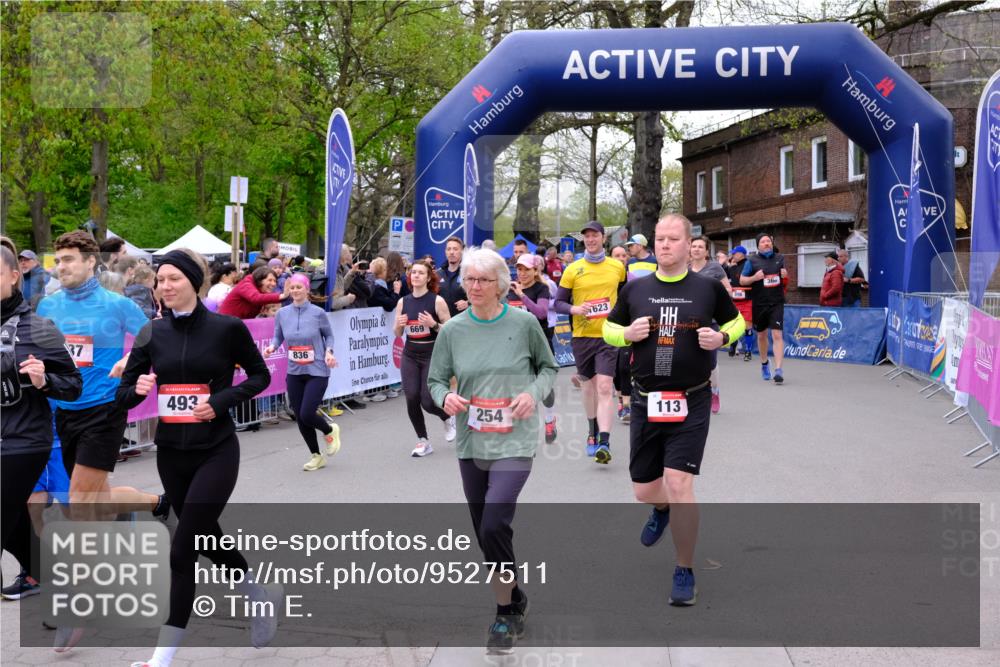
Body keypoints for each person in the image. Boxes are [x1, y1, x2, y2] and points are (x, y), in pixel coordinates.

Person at [118, 249, 281, 666]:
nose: (165, 286)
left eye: (173, 278)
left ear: (193, 281)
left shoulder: (227, 328)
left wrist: (222, 400)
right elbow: (125, 392)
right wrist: (136, 389)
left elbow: (261, 375)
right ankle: (258, 595)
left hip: (217, 451)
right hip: (171, 454)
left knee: (181, 549)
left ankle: (162, 657)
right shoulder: (150, 333)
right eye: (160, 280)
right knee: (207, 536)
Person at [603, 213, 744, 607]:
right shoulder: (635, 290)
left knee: (681, 484)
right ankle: (659, 508)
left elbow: (737, 325)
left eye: (672, 239)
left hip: (692, 398)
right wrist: (627, 334)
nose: (664, 245)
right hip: (646, 399)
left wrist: (720, 337)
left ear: (688, 244)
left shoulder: (708, 288)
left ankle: (684, 568)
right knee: (643, 489)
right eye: (660, 239)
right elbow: (608, 330)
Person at [426, 247, 557, 655]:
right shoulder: (452, 331)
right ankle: (514, 593)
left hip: (514, 438)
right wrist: (445, 397)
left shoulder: (523, 323)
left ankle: (505, 614)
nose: (476, 286)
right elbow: (434, 382)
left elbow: (548, 369)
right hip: (471, 440)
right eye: (470, 279)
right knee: (487, 531)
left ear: (501, 285)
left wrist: (532, 394)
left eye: (484, 280)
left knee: (492, 523)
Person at [36, 232, 167, 521]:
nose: (62, 267)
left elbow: (155, 340)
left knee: (79, 502)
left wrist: (126, 360)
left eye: (69, 259)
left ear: (91, 261)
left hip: (104, 409)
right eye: (58, 260)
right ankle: (157, 503)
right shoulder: (48, 306)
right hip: (65, 411)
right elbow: (41, 354)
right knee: (97, 498)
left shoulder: (116, 304)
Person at [1, 246, 82, 604]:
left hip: (24, 441)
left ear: (14, 275)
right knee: (15, 525)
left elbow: (73, 386)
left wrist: (44, 379)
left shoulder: (38, 328)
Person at [553, 221, 626, 464]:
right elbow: (558, 303)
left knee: (605, 386)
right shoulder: (573, 269)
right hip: (582, 337)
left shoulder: (617, 267)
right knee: (588, 388)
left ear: (603, 238)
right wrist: (575, 308)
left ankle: (604, 441)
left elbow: (625, 297)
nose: (591, 240)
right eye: (587, 237)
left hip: (608, 335)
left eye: (595, 236)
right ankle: (592, 430)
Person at [264, 273, 341, 471]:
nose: (295, 291)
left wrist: (329, 352)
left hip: (317, 369)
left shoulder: (317, 313)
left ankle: (329, 429)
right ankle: (316, 455)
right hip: (294, 371)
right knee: (300, 416)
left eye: (299, 287)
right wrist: (272, 347)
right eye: (292, 287)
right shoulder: (282, 313)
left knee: (307, 413)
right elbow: (278, 337)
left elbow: (329, 336)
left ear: (307, 289)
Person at [394, 259, 454, 456]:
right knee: (411, 397)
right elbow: (396, 333)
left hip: (431, 354)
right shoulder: (403, 301)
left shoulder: (437, 301)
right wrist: (401, 325)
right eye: (413, 272)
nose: (416, 275)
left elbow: (451, 330)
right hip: (410, 354)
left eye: (421, 273)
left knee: (428, 401)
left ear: (428, 278)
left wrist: (433, 324)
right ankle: (423, 441)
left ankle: (447, 417)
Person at [510, 254, 557, 443]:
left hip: (540, 343)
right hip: (517, 345)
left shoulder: (541, 288)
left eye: (526, 269)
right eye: (519, 269)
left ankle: (549, 418)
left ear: (535, 270)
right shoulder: (510, 289)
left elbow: (541, 313)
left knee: (544, 389)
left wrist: (522, 296)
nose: (522, 273)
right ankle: (520, 430)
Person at [689, 236, 732, 414]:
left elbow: (728, 290)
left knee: (711, 362)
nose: (697, 249)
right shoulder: (684, 269)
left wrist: (711, 297)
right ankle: (693, 395)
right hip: (688, 322)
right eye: (694, 246)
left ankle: (714, 391)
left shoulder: (715, 268)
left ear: (707, 251)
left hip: (710, 321)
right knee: (689, 360)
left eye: (701, 247)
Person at [740, 232, 787, 384]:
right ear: (758, 245)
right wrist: (754, 278)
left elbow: (784, 282)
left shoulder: (780, 259)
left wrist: (785, 277)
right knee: (761, 336)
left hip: (777, 302)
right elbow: (742, 280)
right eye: (763, 242)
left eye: (768, 241)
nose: (766, 243)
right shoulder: (751, 261)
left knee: (777, 335)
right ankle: (764, 363)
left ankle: (778, 370)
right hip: (759, 304)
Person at [610, 245, 633, 422]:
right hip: (609, 326)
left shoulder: (633, 279)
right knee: (615, 369)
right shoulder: (606, 279)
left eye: (624, 255)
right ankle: (620, 397)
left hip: (628, 326)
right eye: (616, 255)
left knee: (625, 366)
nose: (621, 258)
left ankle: (626, 406)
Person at [219, 265, 288, 319]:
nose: (273, 284)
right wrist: (282, 296)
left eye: (275, 281)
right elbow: (256, 298)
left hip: (239, 324)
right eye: (270, 280)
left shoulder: (262, 290)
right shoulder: (246, 284)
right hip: (226, 323)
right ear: (260, 280)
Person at [725, 246, 755, 361]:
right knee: (734, 325)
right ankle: (733, 344)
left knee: (748, 326)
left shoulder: (749, 265)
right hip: (735, 302)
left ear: (742, 254)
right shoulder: (732, 268)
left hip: (747, 300)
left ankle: (748, 351)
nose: (733, 256)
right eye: (732, 254)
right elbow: (723, 275)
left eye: (735, 253)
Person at [438, 236, 468, 316]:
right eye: (449, 249)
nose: (451, 252)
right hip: (442, 322)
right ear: (445, 252)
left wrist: (468, 303)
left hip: (462, 321)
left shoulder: (468, 273)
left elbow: (479, 296)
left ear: (462, 252)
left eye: (455, 249)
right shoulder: (438, 274)